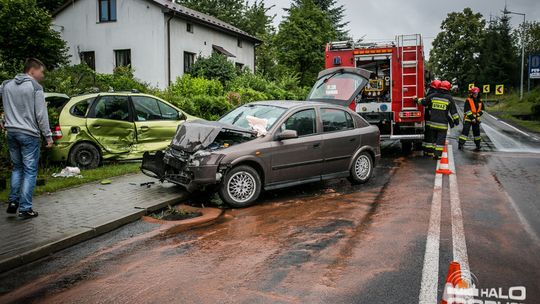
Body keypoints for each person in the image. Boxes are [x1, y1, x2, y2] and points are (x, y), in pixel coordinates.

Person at [0, 58, 53, 219]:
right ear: (32, 70)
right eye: (41, 71)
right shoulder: (35, 87)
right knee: (30, 171)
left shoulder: (6, 85)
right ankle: (25, 208)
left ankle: (13, 202)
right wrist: (48, 136)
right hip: (29, 134)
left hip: (12, 132)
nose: (42, 75)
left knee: (17, 168)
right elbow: (41, 115)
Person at [415, 80, 459, 159]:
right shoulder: (449, 98)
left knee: (434, 139)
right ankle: (437, 155)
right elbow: (454, 112)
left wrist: (416, 100)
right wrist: (456, 121)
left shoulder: (433, 96)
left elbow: (424, 102)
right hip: (443, 124)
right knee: (440, 140)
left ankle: (432, 151)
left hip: (432, 123)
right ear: (448, 89)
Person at [459, 86, 483, 151]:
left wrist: (478, 115)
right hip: (468, 119)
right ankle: (461, 144)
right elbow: (467, 110)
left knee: (477, 133)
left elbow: (482, 110)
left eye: (477, 93)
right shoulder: (468, 100)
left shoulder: (480, 101)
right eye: (474, 93)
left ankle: (478, 145)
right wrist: (472, 118)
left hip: (476, 119)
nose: (476, 95)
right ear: (472, 93)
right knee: (465, 132)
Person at [422, 79, 442, 157]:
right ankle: (430, 151)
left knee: (428, 134)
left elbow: (424, 102)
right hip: (434, 119)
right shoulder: (438, 95)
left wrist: (417, 100)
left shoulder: (430, 94)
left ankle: (426, 150)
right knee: (433, 135)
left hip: (428, 117)